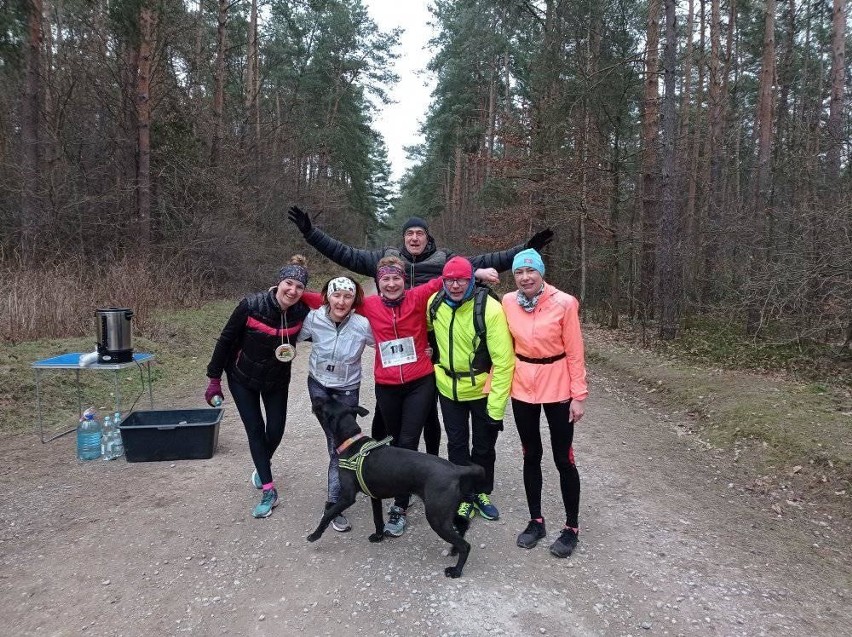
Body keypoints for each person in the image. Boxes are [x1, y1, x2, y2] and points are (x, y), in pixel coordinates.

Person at [287, 205, 554, 456]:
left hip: (436, 345)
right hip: (394, 359)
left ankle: (430, 462)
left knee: (429, 414)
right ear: (403, 238)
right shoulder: (386, 260)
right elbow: (344, 253)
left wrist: (525, 249)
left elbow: (484, 260)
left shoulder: (443, 259)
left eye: (420, 233)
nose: (414, 238)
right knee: (387, 413)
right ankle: (386, 461)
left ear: (428, 237)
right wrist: (311, 234)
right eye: (409, 234)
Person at [357, 255, 496, 537]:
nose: (392, 283)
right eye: (386, 279)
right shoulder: (368, 305)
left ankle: (401, 502)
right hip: (386, 383)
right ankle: (412, 486)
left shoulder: (418, 296)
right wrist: (288, 295)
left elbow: (446, 278)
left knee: (408, 440)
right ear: (378, 283)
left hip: (420, 380)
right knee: (395, 442)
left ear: (404, 281)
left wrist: (477, 271)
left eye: (397, 278)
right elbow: (335, 299)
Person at [204, 256, 322, 519]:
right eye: (288, 283)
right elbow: (225, 340)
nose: (292, 291)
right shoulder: (250, 305)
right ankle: (269, 489)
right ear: (278, 283)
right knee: (255, 430)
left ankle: (261, 465)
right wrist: (214, 379)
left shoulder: (302, 312)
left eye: (299, 287)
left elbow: (329, 305)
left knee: (276, 429)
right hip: (241, 377)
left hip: (277, 379)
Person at [501, 248, 588, 558]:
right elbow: (503, 345)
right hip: (523, 384)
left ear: (541, 273)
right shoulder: (508, 302)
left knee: (563, 458)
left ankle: (571, 527)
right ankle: (536, 520)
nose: (525, 278)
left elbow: (576, 351)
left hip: (559, 384)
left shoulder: (564, 303)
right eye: (519, 273)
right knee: (530, 454)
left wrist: (578, 395)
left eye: (531, 271)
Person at [426, 256, 515, 523]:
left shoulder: (489, 308)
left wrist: (496, 409)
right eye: (450, 280)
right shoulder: (434, 303)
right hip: (448, 388)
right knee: (456, 445)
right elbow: (428, 332)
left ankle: (482, 492)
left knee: (484, 447)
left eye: (461, 280)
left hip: (481, 390)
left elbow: (504, 361)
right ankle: (464, 495)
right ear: (442, 281)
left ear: (471, 280)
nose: (455, 285)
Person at [297, 276, 374, 533]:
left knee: (339, 445)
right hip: (318, 386)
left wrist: (425, 350)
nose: (341, 301)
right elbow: (287, 333)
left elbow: (388, 342)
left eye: (347, 296)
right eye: (336, 295)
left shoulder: (363, 325)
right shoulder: (313, 319)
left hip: (347, 390)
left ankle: (338, 496)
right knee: (336, 445)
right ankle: (335, 502)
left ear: (355, 300)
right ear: (327, 296)